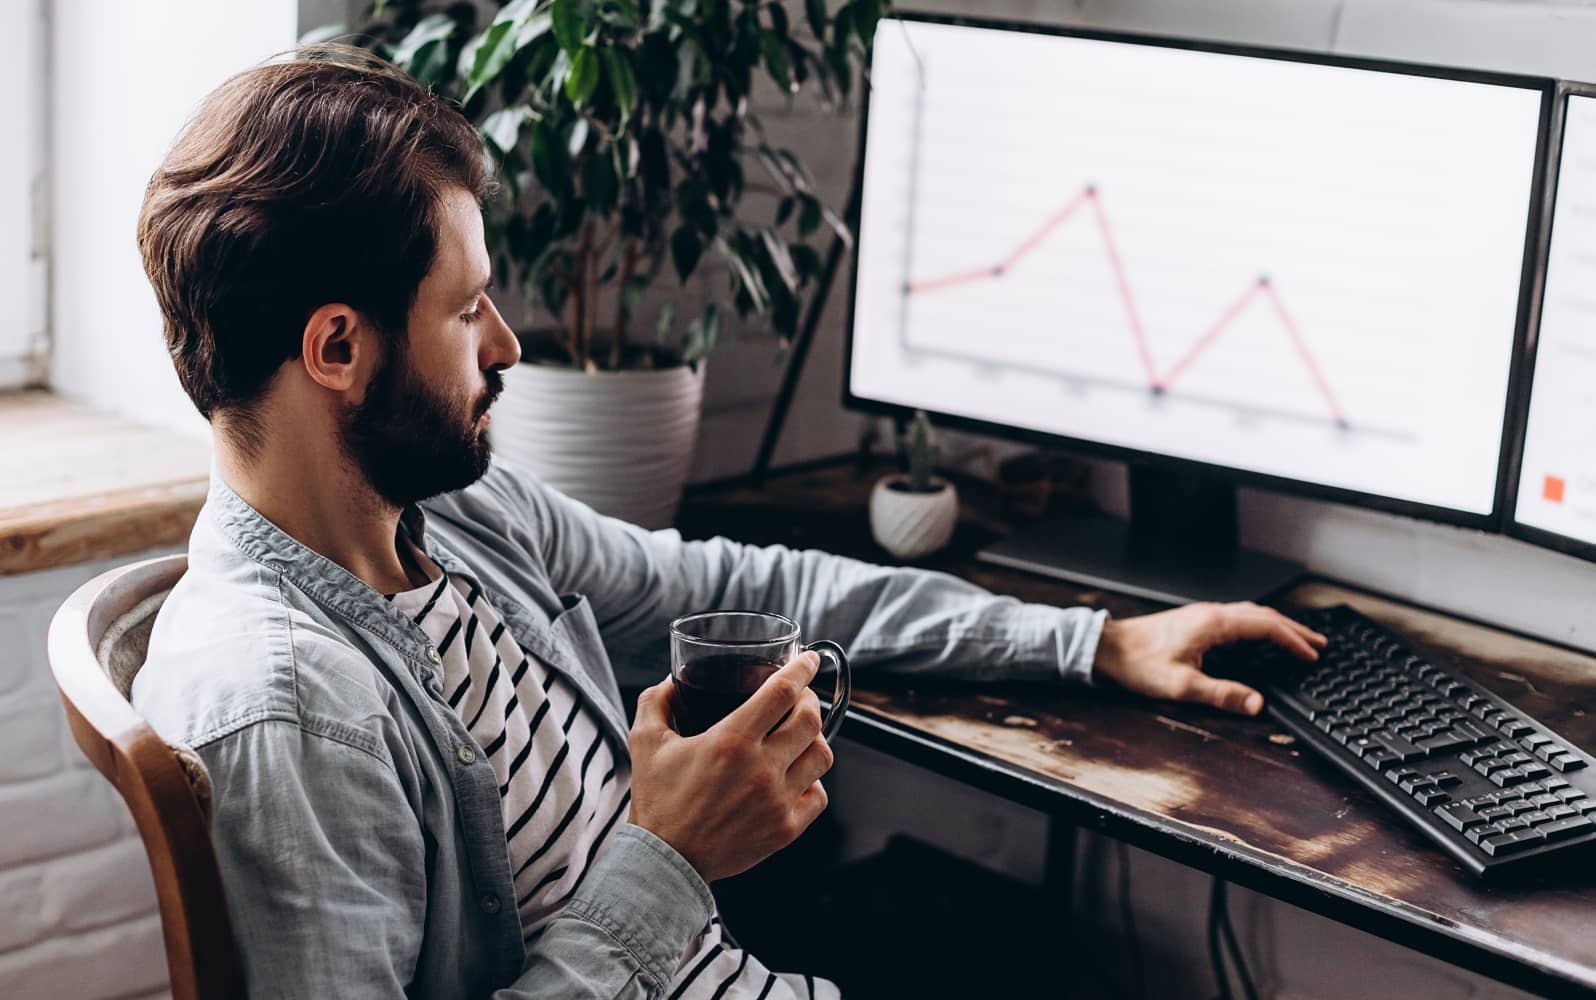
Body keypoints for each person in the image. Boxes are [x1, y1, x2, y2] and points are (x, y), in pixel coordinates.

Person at [131, 47, 1326, 1000]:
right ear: (338, 347)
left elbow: (732, 584)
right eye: (467, 309)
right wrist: (671, 857)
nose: (505, 346)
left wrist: (1088, 642)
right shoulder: (293, 713)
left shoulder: (446, 510)